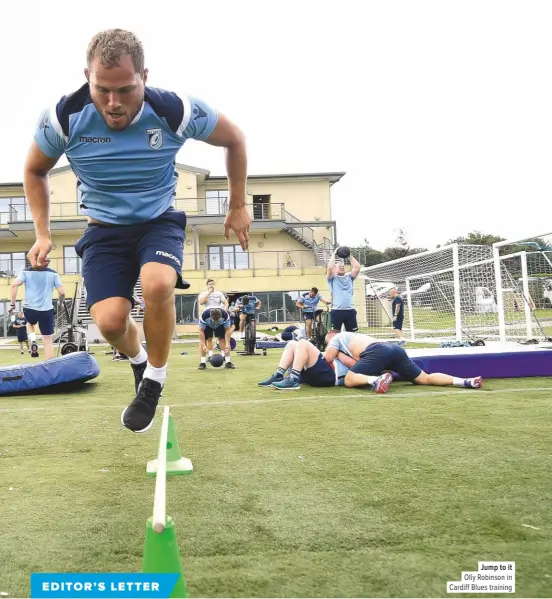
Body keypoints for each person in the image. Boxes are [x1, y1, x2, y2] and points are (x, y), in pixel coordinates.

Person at [24, 29, 250, 433]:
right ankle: (139, 361)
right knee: (110, 321)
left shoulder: (175, 110)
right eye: (102, 89)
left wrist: (237, 205)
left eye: (125, 89)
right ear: (87, 77)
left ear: (144, 76)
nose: (113, 103)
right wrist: (43, 233)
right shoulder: (64, 117)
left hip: (157, 222)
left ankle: (154, 384)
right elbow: (34, 169)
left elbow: (234, 139)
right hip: (103, 231)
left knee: (158, 284)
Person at [324, 330, 483, 392]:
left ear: (332, 335)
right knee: (424, 378)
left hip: (377, 351)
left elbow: (327, 358)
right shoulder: (353, 338)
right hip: (393, 349)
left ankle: (378, 380)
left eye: (327, 342)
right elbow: (355, 366)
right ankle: (465, 382)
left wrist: (334, 351)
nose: (327, 345)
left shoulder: (336, 338)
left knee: (349, 380)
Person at [9, 267, 66, 360]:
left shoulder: (25, 272)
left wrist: (12, 304)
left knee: (30, 323)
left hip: (30, 309)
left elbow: (14, 285)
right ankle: (50, 366)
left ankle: (33, 340)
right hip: (47, 310)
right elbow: (62, 293)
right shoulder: (54, 273)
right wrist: (60, 302)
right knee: (47, 340)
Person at [258, 338, 353, 390]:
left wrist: (338, 353)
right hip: (319, 373)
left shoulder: (356, 353)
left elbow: (353, 365)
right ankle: (279, 374)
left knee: (303, 343)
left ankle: (293, 379)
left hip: (329, 375)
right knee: (292, 343)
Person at [327, 247, 361, 332]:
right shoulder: (332, 278)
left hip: (350, 311)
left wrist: (349, 254)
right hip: (337, 311)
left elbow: (357, 267)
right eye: (339, 266)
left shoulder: (349, 277)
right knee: (334, 335)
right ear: (335, 269)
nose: (342, 267)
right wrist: (334, 254)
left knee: (352, 335)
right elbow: (330, 268)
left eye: (343, 266)